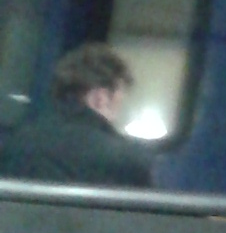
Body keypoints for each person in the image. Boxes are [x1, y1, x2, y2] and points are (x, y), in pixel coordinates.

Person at [0, 44, 154, 187]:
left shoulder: (15, 146)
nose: (117, 114)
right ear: (99, 99)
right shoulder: (128, 161)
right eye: (118, 102)